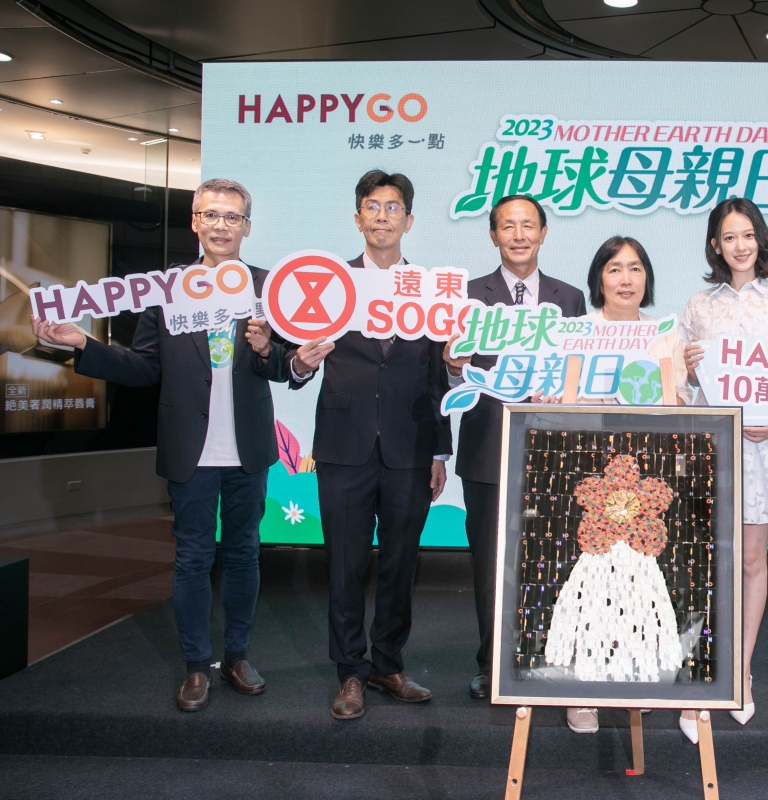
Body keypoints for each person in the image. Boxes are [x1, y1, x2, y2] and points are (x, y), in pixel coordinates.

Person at [30, 178, 313, 712]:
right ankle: (195, 665)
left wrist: (269, 350)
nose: (221, 225)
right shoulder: (167, 289)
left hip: (249, 447)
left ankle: (237, 656)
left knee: (245, 554)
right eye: (211, 215)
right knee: (191, 558)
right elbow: (145, 368)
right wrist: (83, 343)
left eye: (232, 217)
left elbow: (284, 368)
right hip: (190, 447)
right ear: (195, 222)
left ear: (247, 227)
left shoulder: (268, 287)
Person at [288, 170, 452, 720]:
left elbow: (437, 377)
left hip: (411, 447)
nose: (383, 216)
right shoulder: (328, 284)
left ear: (410, 220)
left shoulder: (430, 291)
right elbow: (295, 360)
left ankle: (388, 664)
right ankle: (350, 673)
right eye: (373, 207)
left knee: (402, 564)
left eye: (393, 207)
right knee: (344, 565)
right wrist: (299, 363)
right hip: (343, 446)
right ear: (357, 218)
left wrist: (439, 452)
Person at [541, 235, 692, 734]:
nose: (626, 279)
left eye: (635, 268)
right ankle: (581, 690)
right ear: (598, 279)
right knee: (588, 586)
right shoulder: (578, 331)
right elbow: (560, 402)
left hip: (648, 475)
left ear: (647, 277)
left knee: (639, 585)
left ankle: (634, 678)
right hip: (587, 474)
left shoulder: (666, 333)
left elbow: (680, 404)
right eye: (614, 269)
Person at [442, 195, 587, 706]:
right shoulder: (466, 297)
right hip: (487, 446)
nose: (519, 235)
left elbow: (579, 373)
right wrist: (453, 367)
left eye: (528, 226)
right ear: (493, 235)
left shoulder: (570, 298)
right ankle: (493, 665)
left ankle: (544, 656)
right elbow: (447, 378)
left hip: (552, 450)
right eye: (508, 226)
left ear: (544, 233)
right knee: (490, 564)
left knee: (550, 560)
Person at [680, 198, 768, 741]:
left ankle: (740, 671)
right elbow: (681, 387)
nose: (740, 245)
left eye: (748, 235)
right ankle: (701, 672)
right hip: (712, 446)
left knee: (753, 561)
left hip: (764, 447)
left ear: (761, 240)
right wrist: (688, 371)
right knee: (708, 562)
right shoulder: (698, 305)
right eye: (729, 236)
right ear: (715, 244)